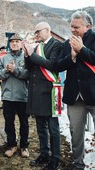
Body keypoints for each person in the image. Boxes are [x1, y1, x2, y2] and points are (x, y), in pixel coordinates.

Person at [54, 11, 95, 170]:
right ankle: (78, 165)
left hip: (93, 94)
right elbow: (57, 66)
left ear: (88, 26)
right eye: (71, 26)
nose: (73, 30)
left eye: (76, 27)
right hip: (74, 97)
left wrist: (82, 50)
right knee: (76, 135)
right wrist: (71, 56)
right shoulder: (66, 44)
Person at [22, 22, 61, 170]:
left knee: (53, 128)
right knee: (40, 127)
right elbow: (29, 67)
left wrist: (32, 54)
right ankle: (44, 153)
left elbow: (52, 65)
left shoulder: (56, 45)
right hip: (35, 91)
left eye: (38, 31)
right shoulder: (37, 47)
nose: (36, 34)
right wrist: (27, 55)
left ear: (47, 30)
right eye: (35, 32)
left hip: (49, 91)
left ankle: (55, 158)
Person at [0, 33, 29, 158]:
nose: (14, 43)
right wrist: (6, 70)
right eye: (12, 41)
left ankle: (24, 146)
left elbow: (28, 74)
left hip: (23, 96)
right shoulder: (4, 58)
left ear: (21, 43)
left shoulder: (26, 57)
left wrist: (15, 70)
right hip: (8, 96)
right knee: (9, 123)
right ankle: (12, 145)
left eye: (17, 41)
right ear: (9, 44)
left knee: (24, 123)